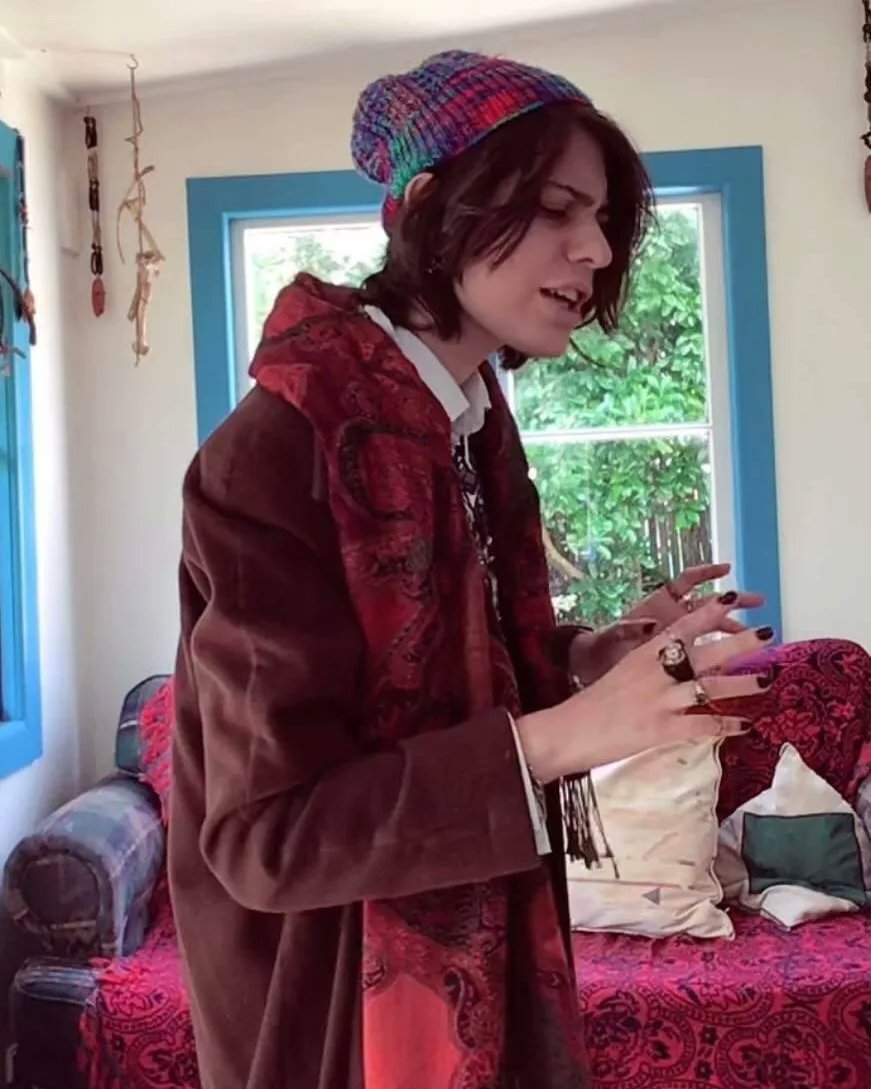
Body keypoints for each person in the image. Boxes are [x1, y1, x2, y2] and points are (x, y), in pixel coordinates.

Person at [168, 50, 771, 1089]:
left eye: (603, 219)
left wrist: (584, 657)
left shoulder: (468, 424)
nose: (596, 250)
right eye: (554, 208)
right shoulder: (279, 450)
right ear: (431, 210)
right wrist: (566, 735)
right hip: (339, 1003)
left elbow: (443, 669)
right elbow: (269, 838)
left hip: (491, 942)